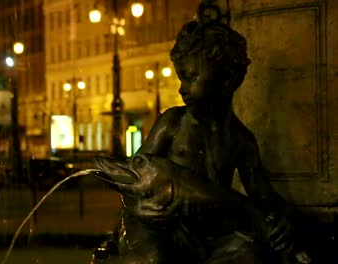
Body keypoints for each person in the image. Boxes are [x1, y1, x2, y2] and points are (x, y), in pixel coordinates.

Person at [93, 5, 311, 264]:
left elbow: (263, 195)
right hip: (168, 229)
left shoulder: (241, 140)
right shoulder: (171, 123)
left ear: (228, 79)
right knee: (151, 258)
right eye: (181, 78)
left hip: (212, 235)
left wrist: (282, 218)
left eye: (191, 77)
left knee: (248, 254)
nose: (182, 88)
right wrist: (134, 214)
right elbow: (135, 180)